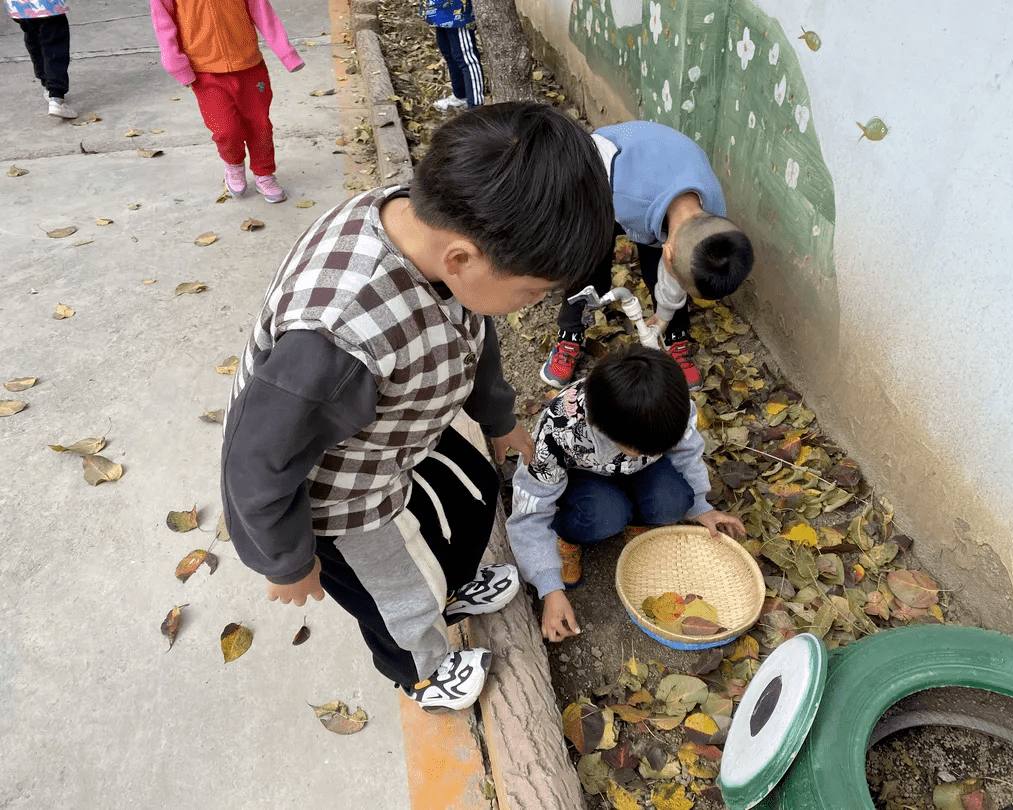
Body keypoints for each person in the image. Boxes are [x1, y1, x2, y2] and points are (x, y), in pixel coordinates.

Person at [220, 103, 614, 712]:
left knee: (473, 490)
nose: (534, 304)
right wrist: (285, 560)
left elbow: (475, 324)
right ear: (462, 258)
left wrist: (500, 420)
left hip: (398, 427)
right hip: (337, 491)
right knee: (393, 595)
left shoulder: (433, 231)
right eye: (533, 291)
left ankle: (448, 587)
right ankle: (424, 670)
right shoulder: (336, 339)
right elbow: (256, 457)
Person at [508, 344, 746, 643]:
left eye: (659, 447)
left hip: (638, 468)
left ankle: (636, 516)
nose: (655, 451)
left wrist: (701, 506)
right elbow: (530, 511)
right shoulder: (560, 432)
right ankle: (568, 535)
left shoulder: (669, 405)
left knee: (674, 501)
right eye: (642, 449)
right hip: (584, 479)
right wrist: (549, 588)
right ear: (597, 425)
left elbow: (687, 452)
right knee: (604, 514)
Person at [541, 120, 755, 391]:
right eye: (681, 283)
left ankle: (676, 337)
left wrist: (664, 315)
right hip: (600, 183)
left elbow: (674, 267)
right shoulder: (625, 196)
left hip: (656, 189)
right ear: (668, 250)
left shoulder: (713, 216)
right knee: (590, 265)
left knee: (659, 273)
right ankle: (569, 335)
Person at [150, 0, 304, 203]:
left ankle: (264, 174)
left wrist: (286, 54)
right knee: (225, 130)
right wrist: (177, 66)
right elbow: (164, 25)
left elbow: (263, 12)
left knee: (260, 125)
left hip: (249, 66)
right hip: (205, 73)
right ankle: (233, 164)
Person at [6, 0, 77, 119]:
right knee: (55, 44)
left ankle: (46, 83)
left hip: (19, 6)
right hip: (48, 5)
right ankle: (56, 95)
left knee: (34, 38)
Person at [421, 0, 484, 111]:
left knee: (466, 58)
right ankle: (461, 96)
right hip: (437, 8)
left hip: (456, 11)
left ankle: (476, 108)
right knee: (449, 53)